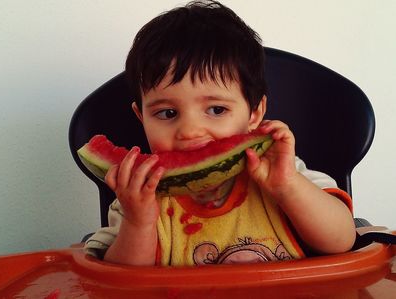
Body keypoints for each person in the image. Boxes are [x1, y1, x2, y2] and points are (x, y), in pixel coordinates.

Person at [84, 0, 356, 266]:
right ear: (141, 118)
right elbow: (123, 282)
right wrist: (139, 222)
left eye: (216, 110)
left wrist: (288, 187)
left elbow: (341, 241)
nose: (190, 131)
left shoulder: (283, 172)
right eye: (167, 113)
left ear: (254, 113)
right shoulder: (136, 198)